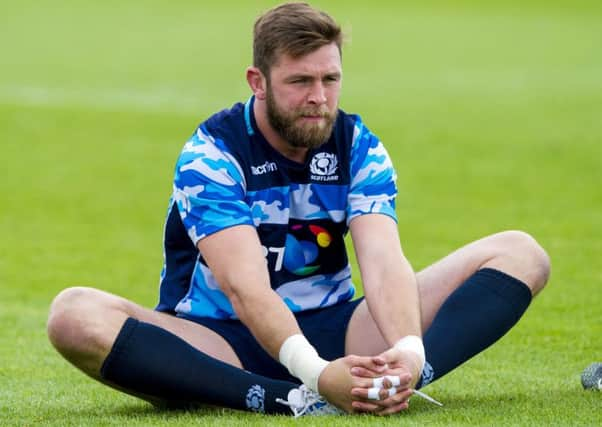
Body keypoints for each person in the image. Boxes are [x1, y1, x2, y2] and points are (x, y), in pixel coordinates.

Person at [46, 2, 550, 417]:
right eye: (300, 81)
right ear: (257, 81)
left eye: (330, 79)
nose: (319, 98)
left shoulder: (358, 145)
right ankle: (288, 399)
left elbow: (382, 261)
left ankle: (394, 384)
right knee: (74, 315)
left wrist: (409, 351)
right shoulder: (212, 155)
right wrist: (312, 374)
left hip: (338, 327)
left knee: (520, 254)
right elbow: (246, 290)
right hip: (221, 342)